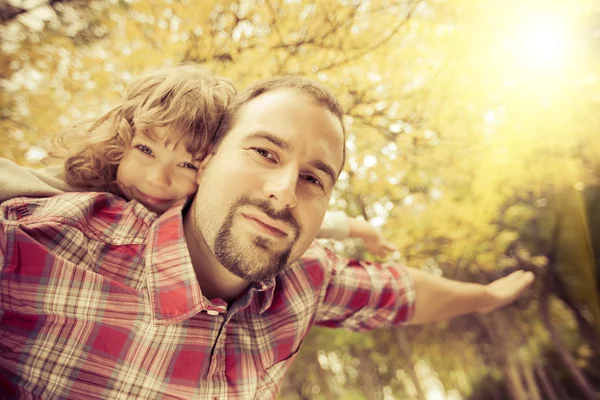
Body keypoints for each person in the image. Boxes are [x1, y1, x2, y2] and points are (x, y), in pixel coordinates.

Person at [0, 76, 535, 399]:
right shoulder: (46, 241)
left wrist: (487, 296)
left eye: (313, 178)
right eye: (264, 153)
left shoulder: (307, 278)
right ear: (206, 163)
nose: (283, 192)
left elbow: (399, 294)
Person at [0, 66, 395, 256]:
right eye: (146, 150)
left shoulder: (204, 214)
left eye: (187, 165)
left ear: (209, 169)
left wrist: (359, 229)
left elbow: (282, 209)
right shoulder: (82, 183)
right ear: (122, 141)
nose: (157, 179)